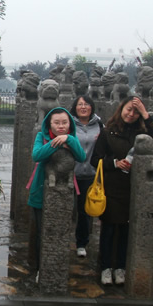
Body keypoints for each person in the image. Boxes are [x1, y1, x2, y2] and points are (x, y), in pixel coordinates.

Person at [91, 96, 153, 285]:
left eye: (136, 112)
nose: (131, 114)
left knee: (125, 230)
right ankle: (106, 267)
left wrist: (145, 114)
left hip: (134, 187)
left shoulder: (142, 133)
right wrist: (114, 163)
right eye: (129, 109)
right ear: (121, 109)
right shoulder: (108, 132)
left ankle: (120, 267)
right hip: (112, 187)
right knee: (109, 229)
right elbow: (95, 159)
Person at [27, 107, 86, 268]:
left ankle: (55, 265)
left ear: (70, 124)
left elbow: (81, 156)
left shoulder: (71, 138)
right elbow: (37, 155)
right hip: (42, 188)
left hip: (64, 189)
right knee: (42, 231)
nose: (61, 126)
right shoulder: (41, 136)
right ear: (49, 124)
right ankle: (39, 266)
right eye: (57, 123)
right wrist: (57, 144)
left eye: (64, 122)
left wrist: (69, 139)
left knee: (60, 230)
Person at [69, 96, 102, 258]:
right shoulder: (69, 124)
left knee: (84, 212)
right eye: (80, 104)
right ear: (75, 107)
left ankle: (81, 243)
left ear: (92, 107)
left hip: (90, 173)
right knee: (64, 208)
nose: (83, 107)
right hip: (70, 172)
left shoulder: (99, 125)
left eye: (86, 104)